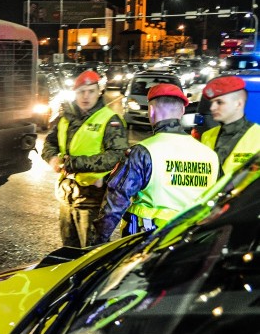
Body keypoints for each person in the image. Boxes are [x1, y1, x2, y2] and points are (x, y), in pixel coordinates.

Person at [92, 83, 219, 244]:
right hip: (192, 243)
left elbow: (115, 203)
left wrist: (97, 244)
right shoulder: (210, 155)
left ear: (151, 111)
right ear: (182, 111)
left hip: (147, 244)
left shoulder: (143, 152)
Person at [41, 70, 129, 248]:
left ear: (99, 92)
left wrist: (75, 164)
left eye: (91, 91)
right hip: (67, 196)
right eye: (81, 91)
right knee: (68, 253)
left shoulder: (110, 120)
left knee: (91, 255)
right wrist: (52, 158)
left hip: (94, 200)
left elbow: (116, 156)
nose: (86, 96)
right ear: (75, 93)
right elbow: (50, 143)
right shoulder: (66, 118)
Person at [199, 76, 260, 177]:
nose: (212, 107)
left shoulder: (257, 137)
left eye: (219, 102)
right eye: (212, 102)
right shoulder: (207, 136)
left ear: (238, 104)